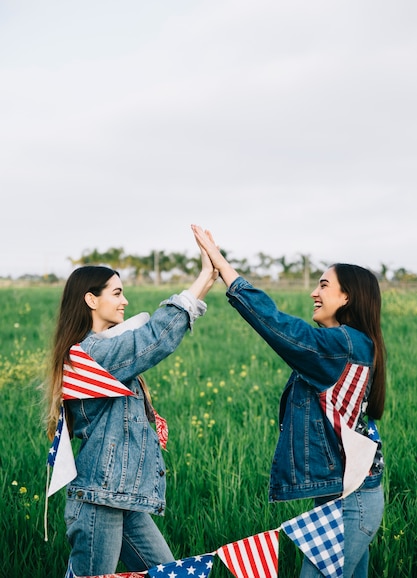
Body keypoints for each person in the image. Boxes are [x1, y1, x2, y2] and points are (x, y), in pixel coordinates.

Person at [191, 225, 386, 578]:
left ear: (348, 298)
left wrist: (223, 266)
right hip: (347, 494)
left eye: (324, 285)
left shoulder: (340, 345)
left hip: (351, 502)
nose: (314, 291)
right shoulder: (350, 343)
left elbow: (276, 325)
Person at [45, 244, 217, 577]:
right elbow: (153, 339)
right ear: (91, 300)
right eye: (117, 293)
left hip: (122, 496)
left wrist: (208, 276)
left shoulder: (99, 349)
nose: (125, 300)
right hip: (99, 500)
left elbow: (143, 336)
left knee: (172, 573)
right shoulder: (91, 354)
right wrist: (198, 281)